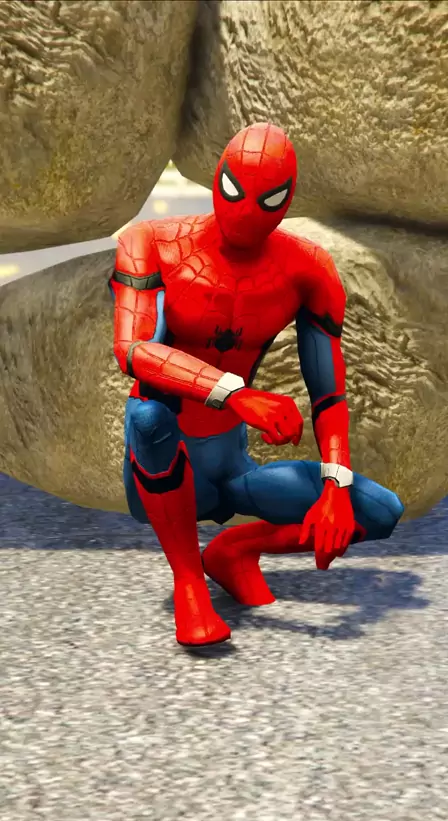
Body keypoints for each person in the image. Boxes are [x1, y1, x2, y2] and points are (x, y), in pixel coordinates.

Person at [109, 122, 404, 647]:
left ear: (286, 200)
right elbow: (133, 350)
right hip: (164, 466)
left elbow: (329, 395)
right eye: (233, 191)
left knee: (380, 512)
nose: (245, 213)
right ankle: (188, 582)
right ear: (217, 178)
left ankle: (237, 549)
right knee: (148, 416)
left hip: (232, 468)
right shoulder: (150, 242)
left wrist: (336, 485)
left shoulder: (308, 269)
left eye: (266, 200)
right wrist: (236, 393)